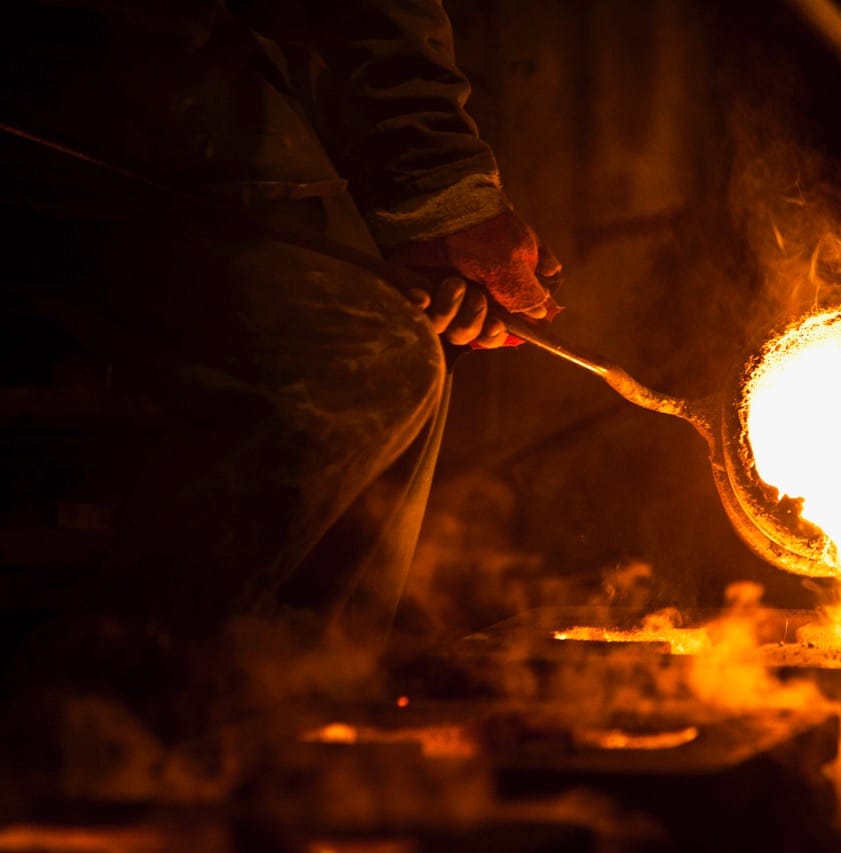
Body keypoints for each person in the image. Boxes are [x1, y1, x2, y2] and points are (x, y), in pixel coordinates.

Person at [1, 0, 558, 730]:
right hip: (78, 64)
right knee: (366, 364)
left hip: (190, 61)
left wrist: (417, 212)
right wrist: (442, 188)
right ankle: (88, 732)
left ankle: (301, 722)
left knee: (409, 346)